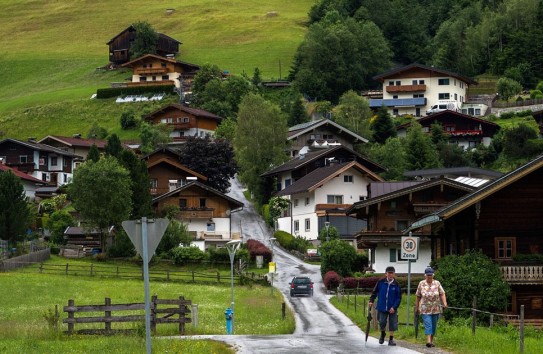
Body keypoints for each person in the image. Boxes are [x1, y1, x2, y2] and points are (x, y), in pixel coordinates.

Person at [369, 266, 401, 346]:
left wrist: (394, 307)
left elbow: (398, 298)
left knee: (392, 323)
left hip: (392, 307)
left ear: (394, 274)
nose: (390, 275)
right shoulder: (381, 282)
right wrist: (371, 300)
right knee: (382, 322)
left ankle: (391, 339)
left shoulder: (396, 284)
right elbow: (375, 291)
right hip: (382, 306)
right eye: (389, 273)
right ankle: (383, 334)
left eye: (392, 273)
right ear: (386, 274)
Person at [415, 267, 448, 348]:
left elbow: (442, 293)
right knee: (428, 324)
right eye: (428, 275)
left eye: (431, 275)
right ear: (425, 275)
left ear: (433, 275)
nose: (429, 277)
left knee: (433, 325)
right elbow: (418, 295)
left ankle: (431, 341)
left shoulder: (437, 283)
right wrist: (417, 306)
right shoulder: (421, 283)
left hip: (435, 308)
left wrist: (444, 303)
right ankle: (428, 341)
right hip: (425, 308)